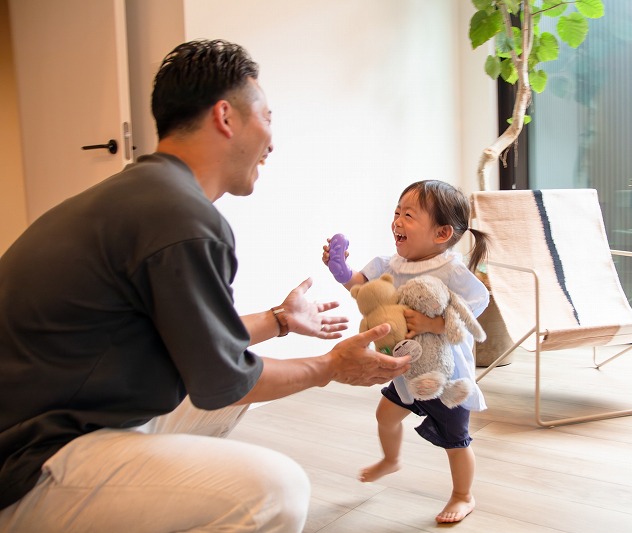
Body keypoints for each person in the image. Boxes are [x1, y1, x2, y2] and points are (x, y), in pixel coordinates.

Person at [0, 39, 410, 532]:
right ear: (225, 117)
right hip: (28, 467)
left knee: (222, 405)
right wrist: (330, 366)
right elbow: (224, 381)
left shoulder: (145, 196)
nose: (273, 141)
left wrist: (280, 321)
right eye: (268, 117)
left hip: (61, 424)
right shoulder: (180, 218)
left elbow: (195, 344)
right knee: (275, 490)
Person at [322, 180, 490, 524]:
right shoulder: (388, 263)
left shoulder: (451, 270)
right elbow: (362, 289)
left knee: (456, 441)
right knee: (385, 416)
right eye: (397, 212)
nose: (397, 221)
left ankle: (463, 494)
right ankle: (391, 459)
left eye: (409, 215)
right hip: (404, 370)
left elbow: (477, 303)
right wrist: (340, 269)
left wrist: (437, 325)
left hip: (445, 377)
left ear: (441, 233)